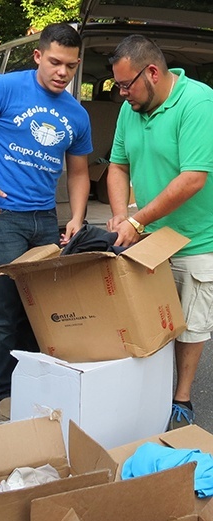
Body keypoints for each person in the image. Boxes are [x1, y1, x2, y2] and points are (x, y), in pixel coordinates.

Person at [0, 23, 92, 421]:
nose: (63, 72)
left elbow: (78, 172)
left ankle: (30, 381)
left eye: (71, 66)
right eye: (56, 62)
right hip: (0, 214)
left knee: (39, 305)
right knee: (3, 303)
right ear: (38, 57)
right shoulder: (5, 88)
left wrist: (77, 216)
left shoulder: (76, 114)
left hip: (44, 217)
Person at [106, 34, 213, 429]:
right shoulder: (131, 109)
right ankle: (146, 391)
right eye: (117, 86)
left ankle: (181, 397)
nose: (121, 95)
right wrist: (120, 215)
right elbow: (117, 165)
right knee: (149, 317)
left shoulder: (198, 102)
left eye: (125, 85)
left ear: (152, 72)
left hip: (196, 239)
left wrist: (138, 220)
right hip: (150, 237)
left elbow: (193, 179)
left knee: (191, 322)